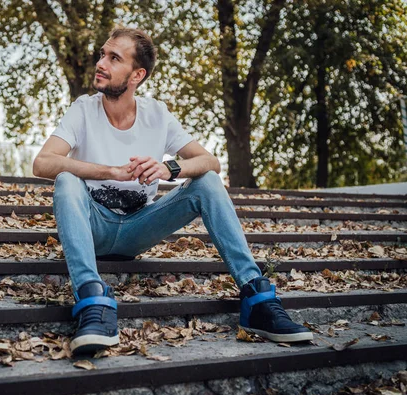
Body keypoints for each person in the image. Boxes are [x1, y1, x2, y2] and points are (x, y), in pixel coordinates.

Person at [33, 27, 313, 355]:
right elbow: (43, 163)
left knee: (207, 180)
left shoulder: (157, 115)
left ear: (137, 75)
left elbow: (211, 161)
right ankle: (93, 301)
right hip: (93, 226)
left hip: (139, 229)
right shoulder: (84, 109)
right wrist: (108, 171)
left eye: (113, 58)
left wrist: (170, 169)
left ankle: (258, 300)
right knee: (66, 179)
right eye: (102, 54)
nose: (101, 63)